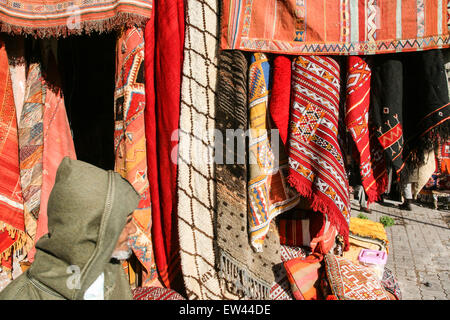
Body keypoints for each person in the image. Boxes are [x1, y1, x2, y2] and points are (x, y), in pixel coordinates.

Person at [0, 157, 141, 300]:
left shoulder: (111, 271)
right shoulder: (22, 296)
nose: (134, 229)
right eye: (127, 222)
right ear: (92, 228)